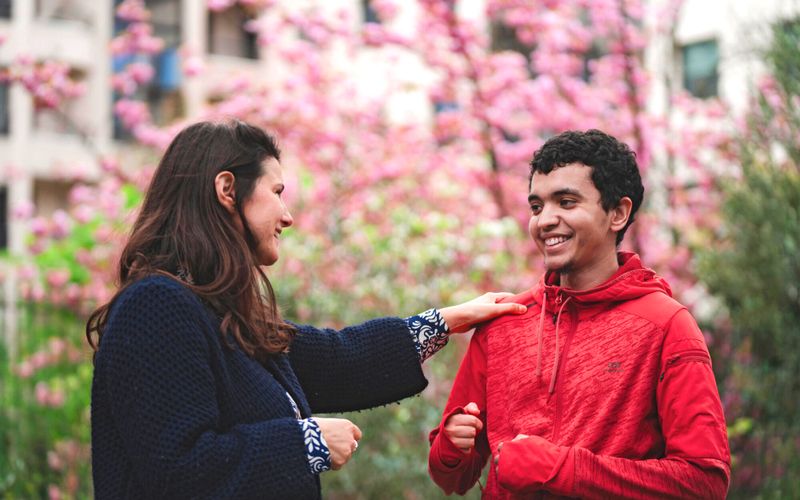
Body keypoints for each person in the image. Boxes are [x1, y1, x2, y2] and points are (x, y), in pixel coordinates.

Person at [87, 120, 527, 499]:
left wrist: (448, 320)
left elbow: (336, 360)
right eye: (276, 192)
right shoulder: (156, 306)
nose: (287, 215)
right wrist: (304, 443)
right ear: (226, 189)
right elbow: (177, 470)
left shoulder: (217, 315)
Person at [427, 130, 731, 498]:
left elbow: (704, 482)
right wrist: (451, 447)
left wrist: (561, 469)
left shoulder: (667, 326)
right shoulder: (503, 323)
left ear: (617, 213)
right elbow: (452, 478)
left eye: (567, 202)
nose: (545, 221)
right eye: (537, 207)